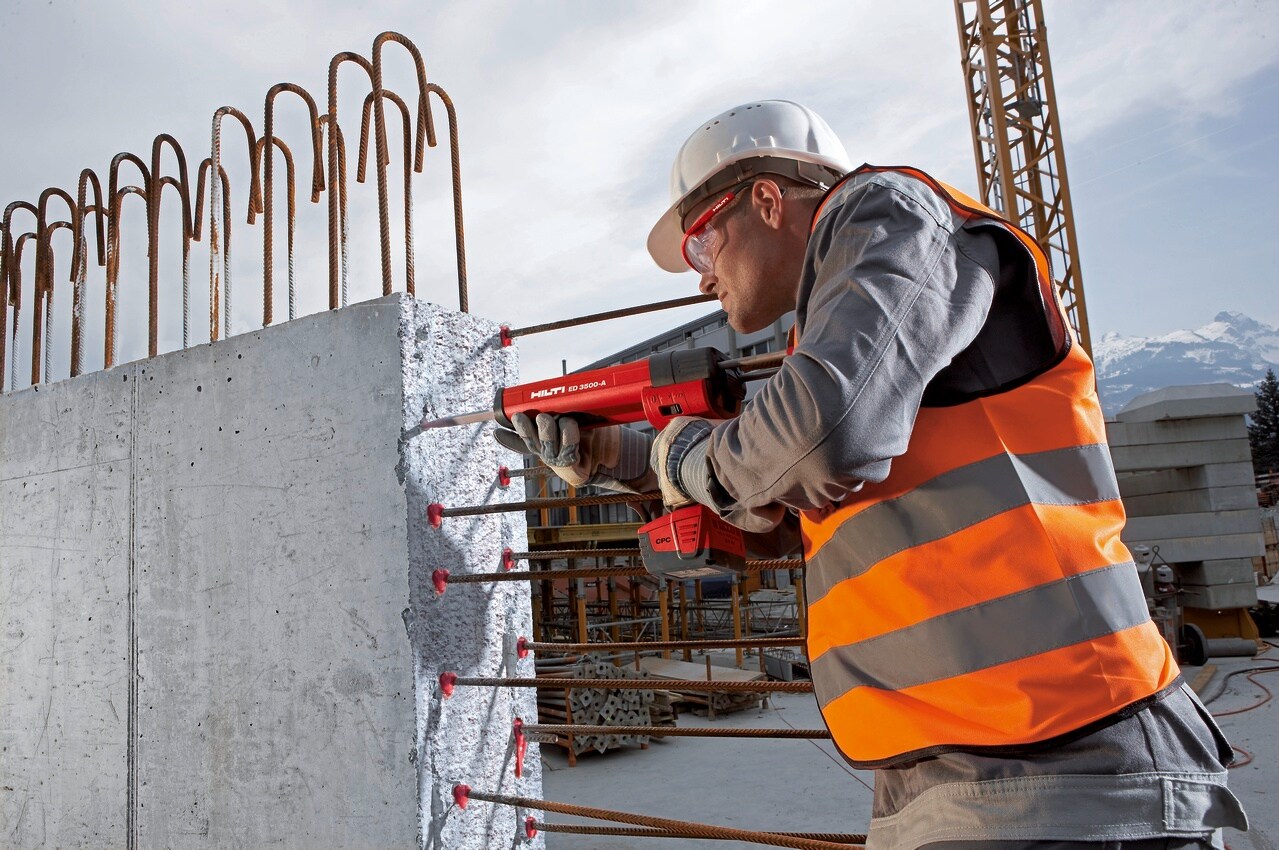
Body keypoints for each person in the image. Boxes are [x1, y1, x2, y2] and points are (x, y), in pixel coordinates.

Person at [500, 100, 1247, 849]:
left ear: (765, 199)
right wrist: (618, 459)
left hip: (1064, 756)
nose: (702, 280)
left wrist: (681, 454)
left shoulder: (889, 211)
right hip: (941, 772)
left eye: (702, 244)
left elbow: (822, 435)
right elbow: (782, 515)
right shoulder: (832, 339)